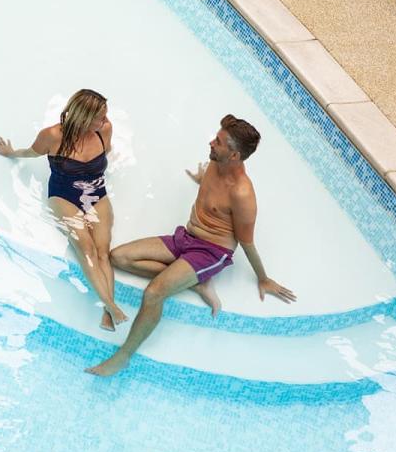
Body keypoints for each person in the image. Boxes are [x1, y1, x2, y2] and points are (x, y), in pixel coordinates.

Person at [86, 114, 296, 376]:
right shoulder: (214, 163)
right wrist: (201, 179)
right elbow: (211, 194)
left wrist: (263, 278)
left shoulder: (242, 194)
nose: (211, 143)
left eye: (218, 142)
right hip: (185, 238)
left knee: (154, 293)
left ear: (234, 156)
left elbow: (246, 241)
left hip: (210, 252)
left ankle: (123, 357)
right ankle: (196, 283)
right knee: (119, 257)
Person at [0, 89, 128, 331]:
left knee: (103, 251)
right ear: (85, 118)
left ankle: (109, 312)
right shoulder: (52, 136)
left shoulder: (104, 130)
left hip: (96, 191)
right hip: (64, 194)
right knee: (86, 248)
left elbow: (106, 151)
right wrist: (11, 153)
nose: (106, 120)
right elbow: (32, 153)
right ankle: (111, 305)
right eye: (101, 116)